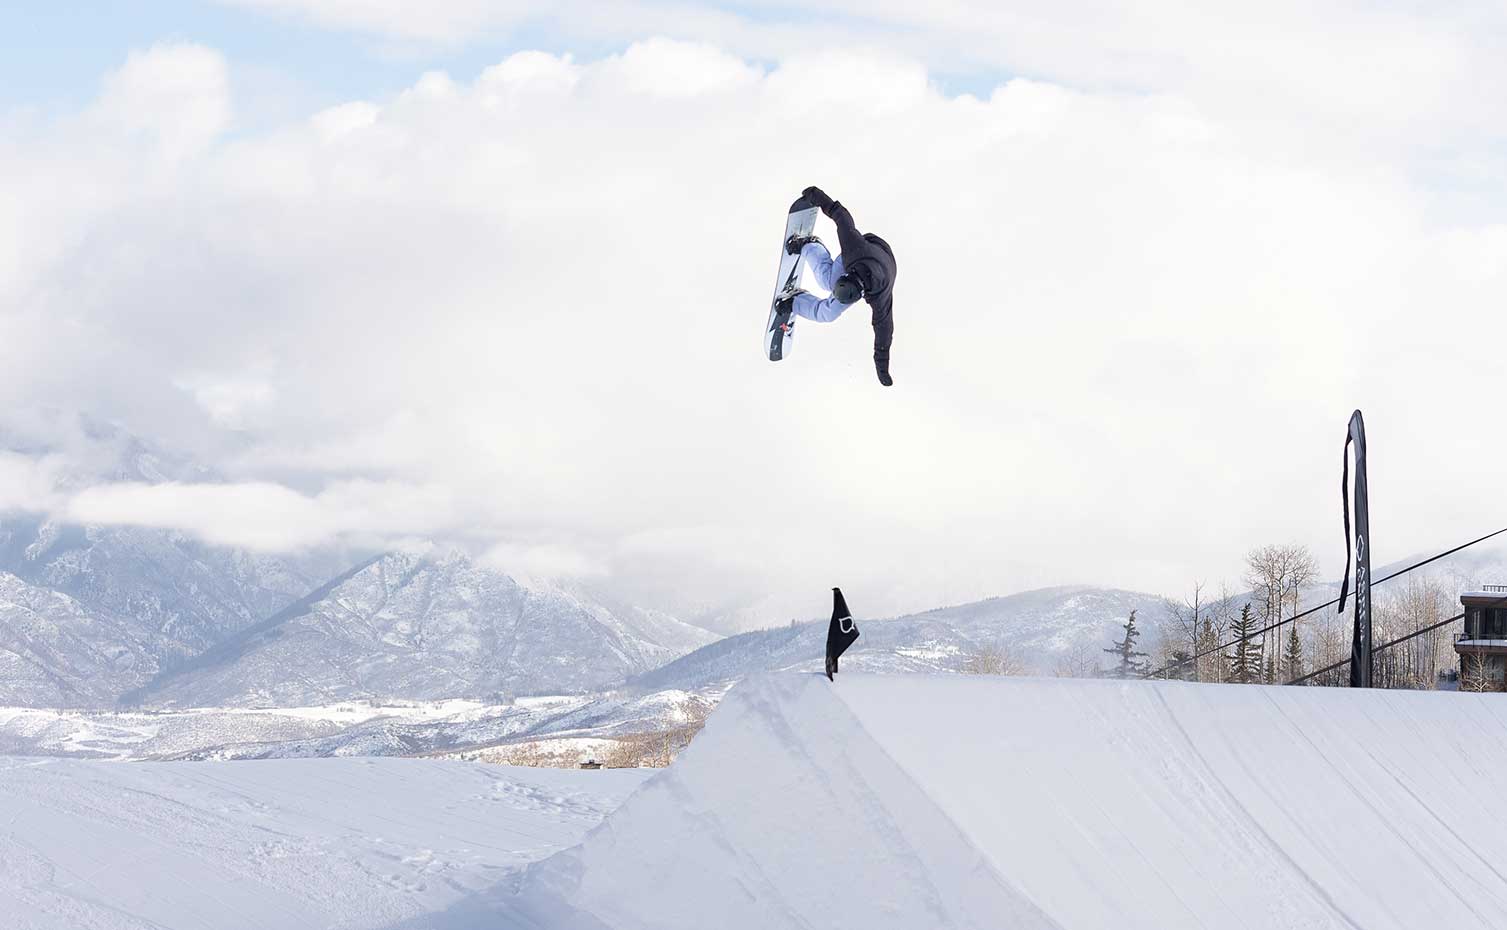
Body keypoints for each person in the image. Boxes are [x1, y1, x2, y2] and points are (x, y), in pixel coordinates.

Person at [776, 186, 897, 386]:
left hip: (883, 264)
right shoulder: (853, 245)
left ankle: (795, 302)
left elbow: (884, 333)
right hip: (866, 249)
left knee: (828, 314)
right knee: (827, 281)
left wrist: (882, 369)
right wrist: (817, 196)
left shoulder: (880, 296)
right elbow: (840, 215)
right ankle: (809, 245)